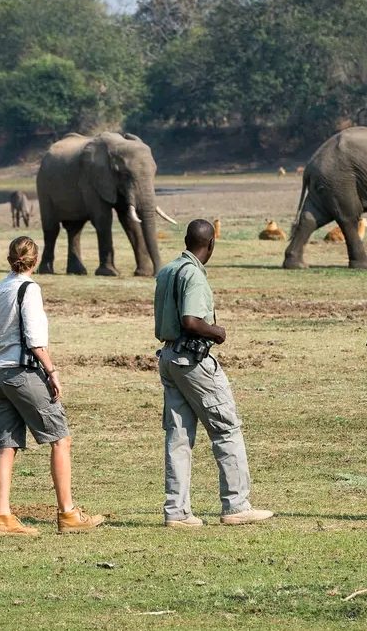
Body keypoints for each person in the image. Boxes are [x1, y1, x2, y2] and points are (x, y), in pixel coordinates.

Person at [153, 219, 273, 527]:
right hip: (193, 360)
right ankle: (236, 505)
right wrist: (216, 331)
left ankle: (177, 512)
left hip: (169, 356)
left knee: (178, 436)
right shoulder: (193, 275)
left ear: (185, 240)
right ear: (212, 244)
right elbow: (191, 320)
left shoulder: (168, 270)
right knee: (226, 428)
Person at [0, 236, 104, 536]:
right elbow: (36, 339)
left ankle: (3, 517)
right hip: (22, 373)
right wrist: (52, 371)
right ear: (34, 260)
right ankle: (67, 513)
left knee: (6, 446)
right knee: (61, 438)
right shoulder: (29, 289)